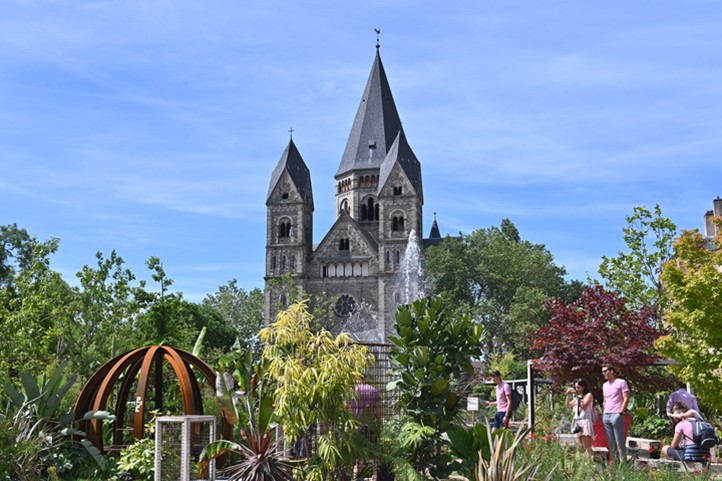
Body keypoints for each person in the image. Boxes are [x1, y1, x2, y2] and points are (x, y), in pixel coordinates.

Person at [349, 383, 381, 481]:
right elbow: (379, 410)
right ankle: (375, 474)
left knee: (357, 453)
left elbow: (348, 408)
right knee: (375, 452)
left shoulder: (351, 391)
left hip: (356, 426)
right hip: (371, 427)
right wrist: (379, 423)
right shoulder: (373, 390)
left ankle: (355, 474)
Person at [601, 365, 630, 462]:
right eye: (602, 372)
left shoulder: (621, 382)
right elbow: (605, 400)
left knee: (619, 442)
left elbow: (626, 398)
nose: (603, 373)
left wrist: (620, 413)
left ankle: (623, 466)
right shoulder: (604, 385)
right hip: (606, 415)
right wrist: (603, 412)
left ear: (612, 371)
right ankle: (614, 464)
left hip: (616, 414)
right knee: (611, 443)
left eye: (605, 371)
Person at [565, 378, 595, 456]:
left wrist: (578, 396)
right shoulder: (577, 397)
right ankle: (586, 462)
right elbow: (568, 405)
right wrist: (568, 395)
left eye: (579, 387)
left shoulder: (588, 395)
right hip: (578, 421)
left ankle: (590, 462)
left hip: (585, 421)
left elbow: (584, 406)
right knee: (582, 446)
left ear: (583, 387)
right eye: (576, 387)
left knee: (587, 445)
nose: (577, 389)